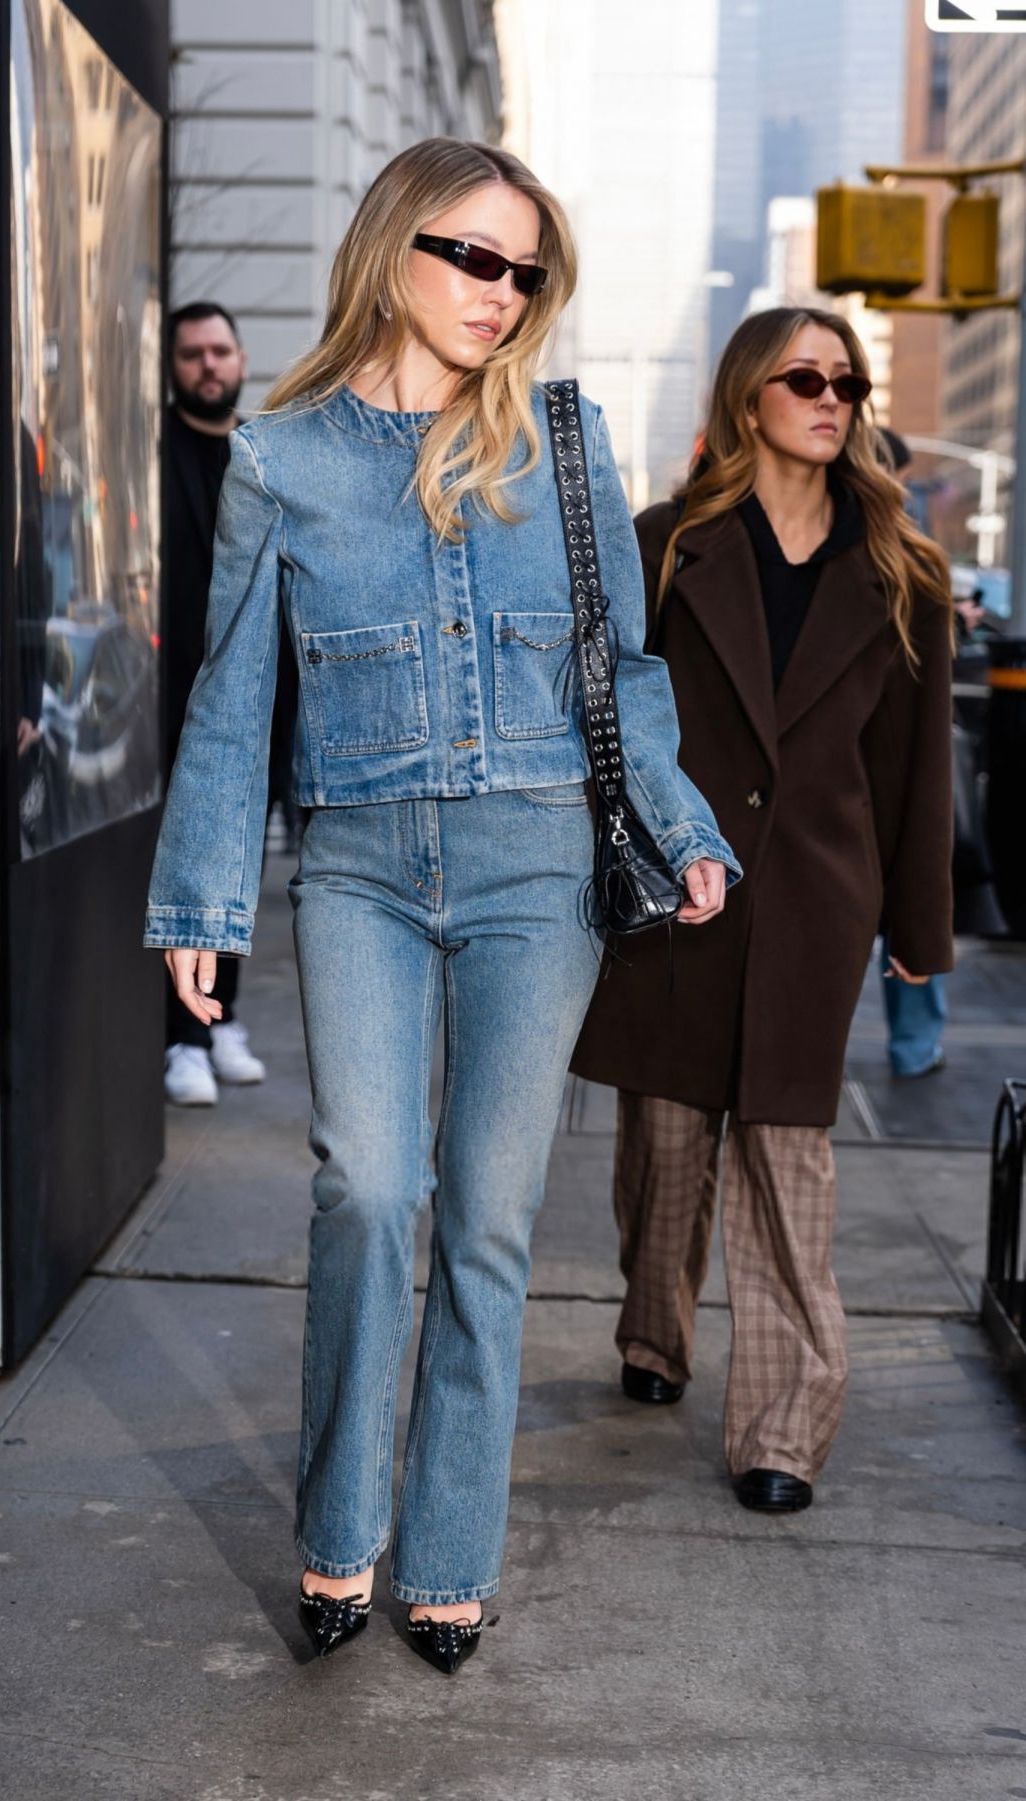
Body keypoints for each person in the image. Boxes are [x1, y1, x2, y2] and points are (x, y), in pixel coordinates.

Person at [144, 138, 737, 1671]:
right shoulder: (284, 455)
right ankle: (341, 1529)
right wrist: (200, 899)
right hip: (356, 866)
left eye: (523, 268)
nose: (500, 290)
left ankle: (449, 1551)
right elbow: (230, 703)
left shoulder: (562, 437)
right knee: (368, 1186)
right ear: (394, 248)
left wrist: (677, 824)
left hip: (537, 866)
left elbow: (628, 677)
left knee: (485, 1215)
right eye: (472, 255)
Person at [572, 307, 954, 1514]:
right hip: (681, 903)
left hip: (814, 913)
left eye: (847, 380)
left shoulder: (900, 571)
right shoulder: (667, 549)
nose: (831, 397)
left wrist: (918, 936)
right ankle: (655, 1329)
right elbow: (612, 732)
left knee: (791, 1166)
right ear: (751, 398)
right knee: (665, 1150)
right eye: (806, 377)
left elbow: (914, 769)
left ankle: (784, 1428)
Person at [163, 302, 266, 1103]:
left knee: (238, 859)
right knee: (187, 859)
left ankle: (222, 1020)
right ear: (173, 365)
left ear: (239, 359)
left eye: (219, 350)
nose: (207, 364)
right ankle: (183, 1035)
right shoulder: (150, 454)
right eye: (193, 352)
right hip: (163, 695)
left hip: (249, 691)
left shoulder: (259, 456)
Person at [876, 427, 947, 1078]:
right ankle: (914, 1048)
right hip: (880, 797)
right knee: (912, 923)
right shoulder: (907, 555)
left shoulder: (910, 561)